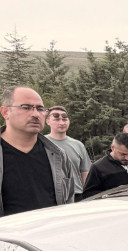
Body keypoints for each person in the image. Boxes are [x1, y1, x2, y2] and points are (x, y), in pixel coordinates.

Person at [0, 86, 76, 215]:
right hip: (8, 234)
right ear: (5, 112)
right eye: (26, 107)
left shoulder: (59, 156)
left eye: (40, 109)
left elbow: (68, 202)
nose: (35, 114)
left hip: (49, 232)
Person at [83, 131, 128, 195]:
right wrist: (113, 193)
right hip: (116, 210)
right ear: (112, 148)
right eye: (123, 154)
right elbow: (88, 194)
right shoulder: (98, 167)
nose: (127, 158)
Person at [44, 107, 91, 197]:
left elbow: (85, 174)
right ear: (48, 121)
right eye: (56, 119)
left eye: (64, 119)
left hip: (76, 196)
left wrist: (87, 195)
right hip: (49, 196)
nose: (61, 122)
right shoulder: (41, 143)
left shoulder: (78, 145)